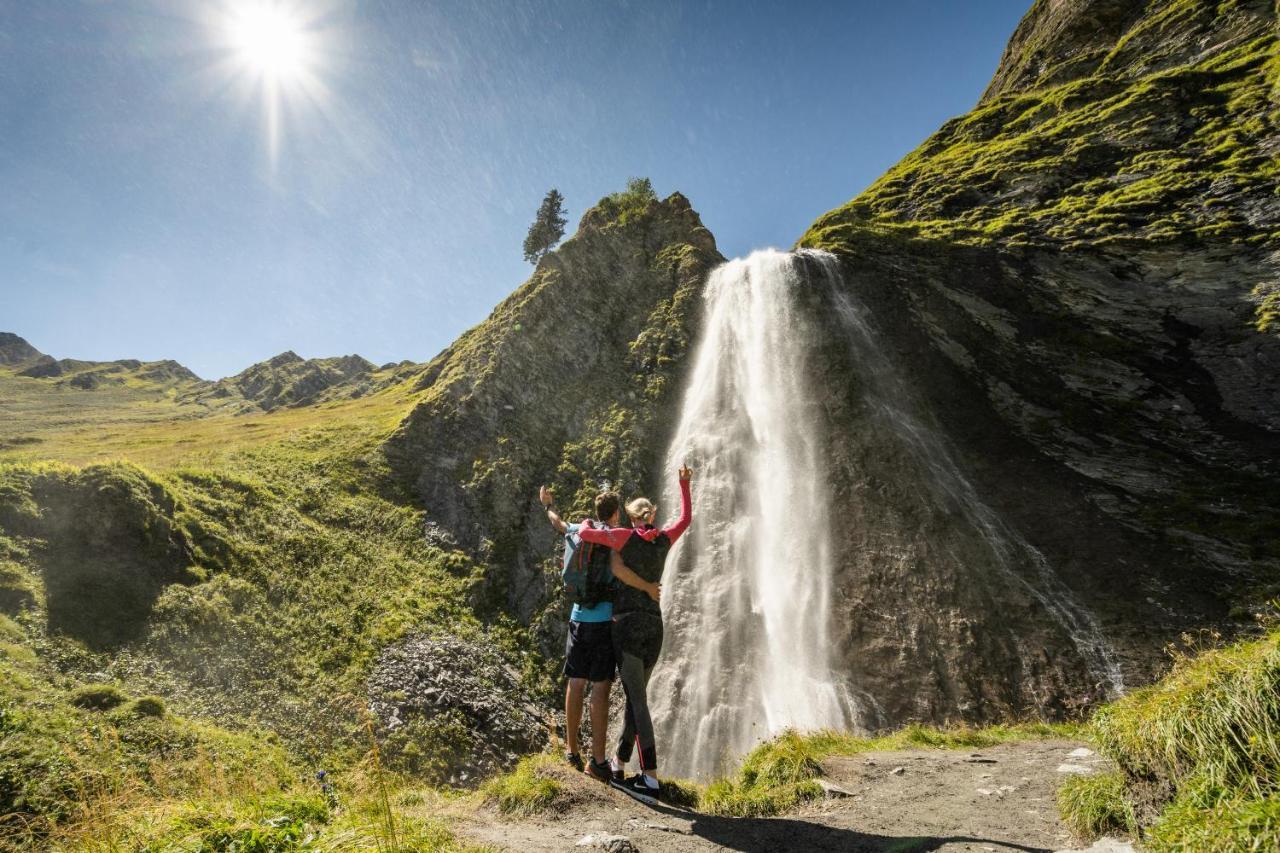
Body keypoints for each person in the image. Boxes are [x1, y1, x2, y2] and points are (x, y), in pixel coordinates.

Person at [576, 464, 691, 804]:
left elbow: (585, 534)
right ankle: (618, 762)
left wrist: (586, 522)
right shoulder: (665, 539)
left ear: (630, 517)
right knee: (635, 696)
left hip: (626, 627)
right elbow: (685, 519)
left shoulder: (623, 536)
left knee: (638, 701)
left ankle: (650, 779)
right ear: (653, 514)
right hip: (655, 627)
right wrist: (685, 485)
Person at [539, 485, 649, 782]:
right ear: (615, 514)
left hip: (577, 618)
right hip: (603, 622)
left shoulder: (577, 529)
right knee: (600, 688)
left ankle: (571, 752)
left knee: (576, 683)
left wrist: (547, 504)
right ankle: (598, 762)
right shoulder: (614, 538)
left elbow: (556, 522)